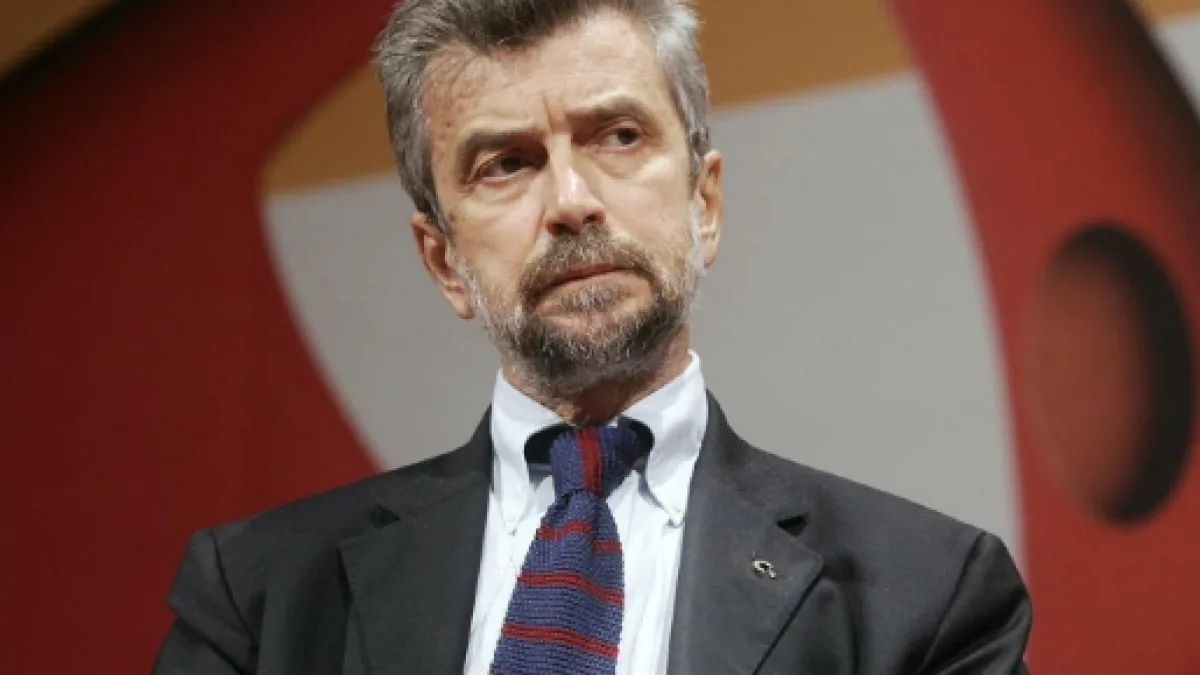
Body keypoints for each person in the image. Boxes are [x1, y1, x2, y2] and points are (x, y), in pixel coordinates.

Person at [154, 0, 1032, 672]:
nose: (572, 201)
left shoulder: (930, 597)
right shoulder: (257, 597)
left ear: (704, 204)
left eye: (618, 136)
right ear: (444, 260)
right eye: (507, 163)